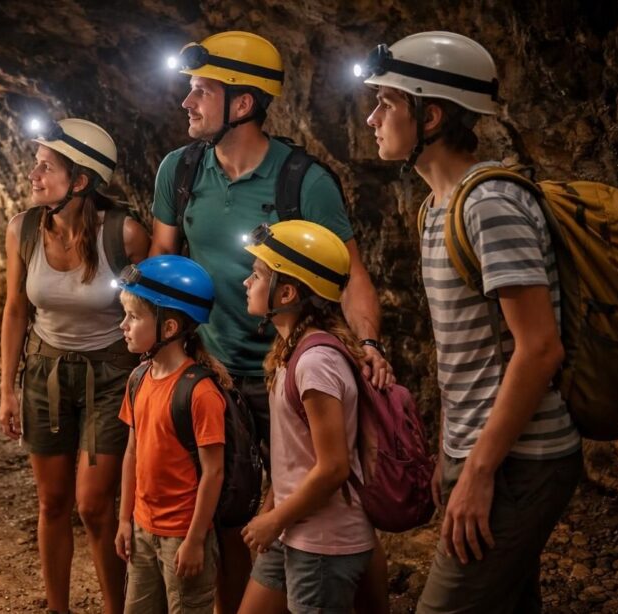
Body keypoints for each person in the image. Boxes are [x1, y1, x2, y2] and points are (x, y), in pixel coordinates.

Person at [150, 30, 391, 612]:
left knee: (336, 505)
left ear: (243, 103)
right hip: (217, 376)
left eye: (202, 91)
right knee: (233, 512)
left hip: (289, 374)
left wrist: (369, 344)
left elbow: (352, 274)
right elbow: (163, 268)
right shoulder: (178, 172)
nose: (187, 103)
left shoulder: (303, 181)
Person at [358, 31, 582, 613]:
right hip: (482, 451)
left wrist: (478, 470)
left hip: (521, 459)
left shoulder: (490, 206)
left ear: (429, 115)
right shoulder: (438, 206)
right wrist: (450, 452)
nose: (371, 117)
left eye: (386, 103)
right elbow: (468, 352)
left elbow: (539, 349)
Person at [0, 117, 151, 614]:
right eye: (35, 164)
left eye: (47, 167)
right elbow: (16, 310)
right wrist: (7, 390)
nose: (33, 174)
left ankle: (117, 608)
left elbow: (148, 311)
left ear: (80, 181)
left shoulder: (124, 235)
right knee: (53, 503)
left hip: (110, 377)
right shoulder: (22, 229)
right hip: (45, 374)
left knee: (93, 506)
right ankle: (58, 608)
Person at [237, 220, 376, 614]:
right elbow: (298, 457)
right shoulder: (290, 352)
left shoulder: (315, 362)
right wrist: (272, 514)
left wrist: (274, 518)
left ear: (287, 291)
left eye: (258, 274)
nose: (247, 282)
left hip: (322, 543)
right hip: (294, 527)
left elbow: (333, 468)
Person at [113, 255, 228, 614]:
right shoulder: (138, 379)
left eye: (133, 316)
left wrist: (195, 541)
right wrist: (124, 519)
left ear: (169, 327)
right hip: (143, 530)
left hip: (183, 534)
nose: (123, 325)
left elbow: (214, 472)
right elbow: (132, 452)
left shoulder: (199, 393)